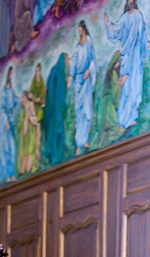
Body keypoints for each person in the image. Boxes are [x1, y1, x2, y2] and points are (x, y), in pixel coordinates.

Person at [104, 0, 150, 129]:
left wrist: (146, 43)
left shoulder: (138, 15)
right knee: (127, 88)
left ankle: (132, 116)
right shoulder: (124, 18)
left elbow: (141, 34)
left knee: (136, 87)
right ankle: (124, 118)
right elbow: (115, 31)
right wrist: (108, 24)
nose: (130, 2)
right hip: (128, 57)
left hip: (136, 57)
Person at [67, 19, 96, 156]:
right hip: (79, 81)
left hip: (87, 80)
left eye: (80, 30)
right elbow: (72, 64)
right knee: (79, 113)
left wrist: (89, 70)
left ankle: (85, 139)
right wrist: (70, 78)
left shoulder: (89, 42)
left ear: (84, 30)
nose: (79, 33)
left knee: (87, 112)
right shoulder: (77, 47)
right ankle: (79, 142)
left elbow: (92, 60)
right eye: (77, 31)